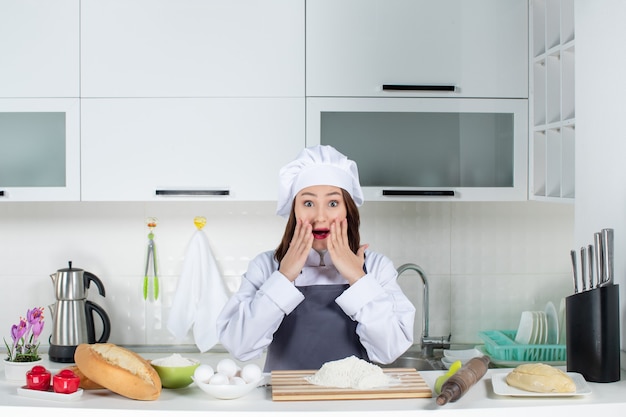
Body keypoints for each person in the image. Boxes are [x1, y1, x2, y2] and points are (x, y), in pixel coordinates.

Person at [217, 145, 415, 371]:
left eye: (333, 203)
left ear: (347, 211)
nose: (320, 217)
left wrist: (358, 279)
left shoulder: (376, 268)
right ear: (294, 211)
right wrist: (283, 277)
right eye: (308, 203)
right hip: (284, 400)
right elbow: (240, 346)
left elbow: (389, 350)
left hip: (354, 401)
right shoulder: (266, 267)